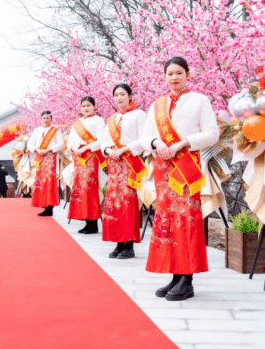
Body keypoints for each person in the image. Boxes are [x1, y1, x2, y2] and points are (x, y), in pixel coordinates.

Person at [140, 57, 219, 301]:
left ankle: (187, 278)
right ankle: (175, 274)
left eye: (179, 73)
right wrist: (156, 142)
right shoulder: (157, 105)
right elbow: (146, 138)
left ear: (187, 74)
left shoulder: (199, 101)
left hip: (186, 169)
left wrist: (184, 142)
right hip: (164, 169)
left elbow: (212, 134)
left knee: (187, 220)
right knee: (167, 221)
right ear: (164, 77)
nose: (174, 77)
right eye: (170, 74)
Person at [100, 84, 147, 259]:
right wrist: (108, 151)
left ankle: (129, 245)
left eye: (122, 94)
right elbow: (104, 141)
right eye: (116, 95)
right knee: (114, 203)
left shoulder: (139, 115)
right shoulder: (111, 119)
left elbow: (144, 139)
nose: (119, 98)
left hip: (129, 163)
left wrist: (124, 149)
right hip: (113, 164)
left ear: (130, 96)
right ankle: (118, 243)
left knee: (127, 202)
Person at [67, 97, 106, 234]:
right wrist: (73, 148)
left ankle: (93, 222)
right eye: (83, 106)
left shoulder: (98, 121)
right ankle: (86, 220)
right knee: (80, 188)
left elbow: (101, 140)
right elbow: (70, 141)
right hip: (79, 158)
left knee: (90, 188)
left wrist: (85, 148)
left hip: (91, 157)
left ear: (94, 106)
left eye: (88, 105)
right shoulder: (78, 123)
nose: (86, 108)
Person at [27, 111, 64, 216]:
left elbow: (61, 144)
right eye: (44, 118)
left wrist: (49, 149)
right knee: (40, 181)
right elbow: (30, 144)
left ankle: (50, 207)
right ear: (41, 119)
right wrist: (36, 149)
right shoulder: (37, 130)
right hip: (40, 157)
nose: (46, 120)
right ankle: (43, 204)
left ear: (51, 119)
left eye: (48, 118)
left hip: (50, 157)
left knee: (49, 181)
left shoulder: (55, 130)